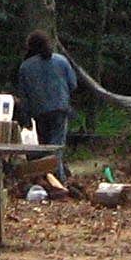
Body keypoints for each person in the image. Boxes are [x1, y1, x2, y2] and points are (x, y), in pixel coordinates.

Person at [15, 30, 78, 169]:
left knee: (45, 147)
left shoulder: (25, 67)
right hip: (60, 109)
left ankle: (49, 177)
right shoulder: (61, 61)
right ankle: (58, 180)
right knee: (56, 148)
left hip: (39, 112)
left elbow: (23, 95)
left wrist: (26, 117)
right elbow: (73, 84)